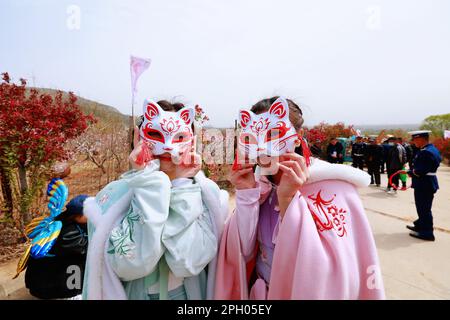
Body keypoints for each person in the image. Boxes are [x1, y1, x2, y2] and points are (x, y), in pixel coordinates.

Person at [214, 96, 384, 300]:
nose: (260, 148)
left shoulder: (334, 187)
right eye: (250, 138)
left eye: (273, 135)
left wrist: (288, 200)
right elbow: (243, 252)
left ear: (298, 135)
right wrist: (246, 193)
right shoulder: (259, 186)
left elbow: (331, 271)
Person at [82, 99, 228, 300]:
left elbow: (189, 262)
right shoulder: (111, 198)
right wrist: (149, 183)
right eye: (155, 135)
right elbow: (130, 265)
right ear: (137, 138)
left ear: (192, 141)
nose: (167, 146)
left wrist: (182, 186)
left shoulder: (207, 196)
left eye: (179, 137)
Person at [24, 194, 89, 300]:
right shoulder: (68, 233)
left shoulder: (64, 219)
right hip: (52, 286)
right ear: (78, 215)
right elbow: (89, 248)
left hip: (49, 279)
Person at [406, 130, 441, 241]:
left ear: (421, 139)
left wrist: (411, 172)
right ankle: (420, 225)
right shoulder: (430, 149)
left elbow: (421, 170)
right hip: (426, 182)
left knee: (424, 209)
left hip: (424, 183)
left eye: (415, 139)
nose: (413, 142)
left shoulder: (426, 152)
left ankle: (427, 233)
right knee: (422, 207)